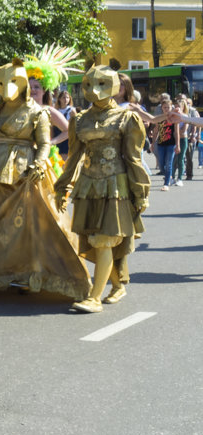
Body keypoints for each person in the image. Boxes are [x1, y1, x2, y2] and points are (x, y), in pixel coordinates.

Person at [0, 58, 90, 298]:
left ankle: (31, 272)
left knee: (27, 228)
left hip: (24, 175)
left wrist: (39, 162)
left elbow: (44, 143)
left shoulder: (38, 112)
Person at [53, 65, 149, 313]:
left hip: (115, 186)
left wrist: (141, 192)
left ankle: (94, 297)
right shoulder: (80, 119)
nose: (95, 91)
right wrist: (61, 186)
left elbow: (133, 159)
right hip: (87, 185)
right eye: (89, 85)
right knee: (95, 241)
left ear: (115, 86)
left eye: (103, 84)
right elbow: (73, 157)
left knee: (104, 240)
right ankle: (117, 285)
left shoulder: (127, 118)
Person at [151, 94, 179, 191]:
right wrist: (152, 143)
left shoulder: (174, 118)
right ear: (162, 108)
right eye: (164, 107)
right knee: (161, 164)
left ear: (171, 107)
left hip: (171, 144)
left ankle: (166, 183)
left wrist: (178, 145)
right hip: (161, 143)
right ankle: (169, 177)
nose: (166, 109)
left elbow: (176, 131)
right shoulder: (160, 118)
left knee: (169, 163)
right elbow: (156, 131)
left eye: (168, 107)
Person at [52, 89, 77, 159]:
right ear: (59, 99)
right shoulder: (56, 111)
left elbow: (73, 125)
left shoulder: (72, 110)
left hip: (67, 139)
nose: (66, 99)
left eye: (67, 97)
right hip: (57, 137)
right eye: (63, 97)